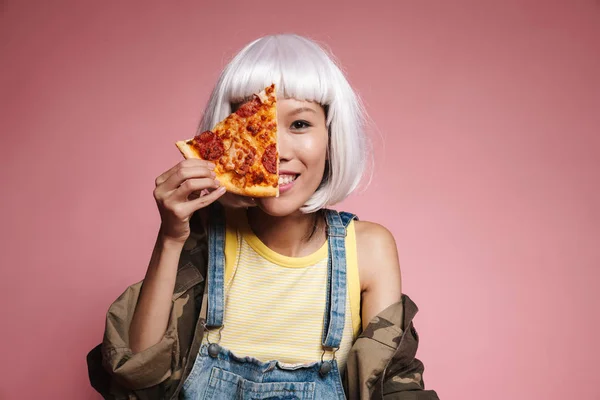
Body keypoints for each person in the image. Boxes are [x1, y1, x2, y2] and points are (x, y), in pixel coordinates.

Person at [87, 34, 438, 400]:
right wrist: (171, 237)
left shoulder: (368, 249)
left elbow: (393, 387)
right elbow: (141, 377)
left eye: (299, 124)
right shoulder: (205, 233)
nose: (277, 151)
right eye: (255, 128)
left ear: (331, 138)